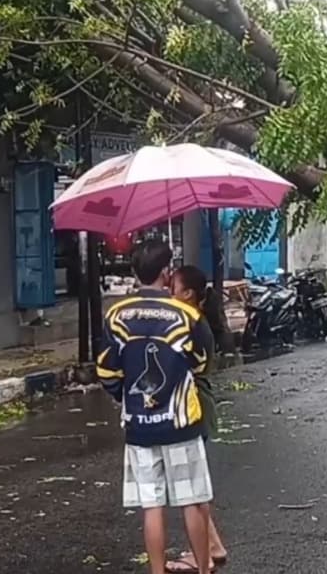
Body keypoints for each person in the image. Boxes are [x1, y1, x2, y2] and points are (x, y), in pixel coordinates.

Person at [97, 240, 215, 574]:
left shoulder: (115, 314)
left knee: (151, 506)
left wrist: (127, 399)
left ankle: (157, 571)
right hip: (181, 422)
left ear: (135, 272)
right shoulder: (188, 314)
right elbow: (203, 363)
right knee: (192, 500)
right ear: (166, 272)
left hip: (139, 425)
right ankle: (204, 569)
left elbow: (107, 371)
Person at [167, 265, 229, 573]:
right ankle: (212, 547)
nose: (169, 294)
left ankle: (202, 556)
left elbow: (182, 366)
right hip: (197, 408)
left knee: (192, 489)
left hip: (193, 409)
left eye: (173, 289)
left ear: (188, 293)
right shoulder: (195, 322)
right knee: (192, 485)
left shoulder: (192, 325)